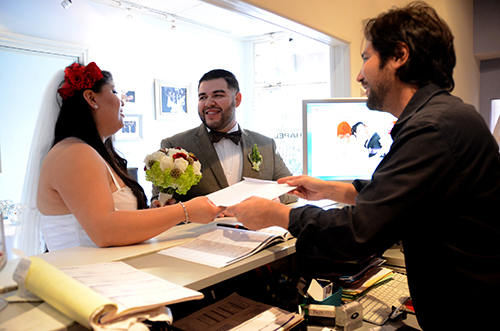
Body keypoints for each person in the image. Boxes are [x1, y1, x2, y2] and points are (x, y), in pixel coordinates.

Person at [227, 2, 500, 330]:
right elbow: (403, 194)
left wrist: (276, 215)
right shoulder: (446, 116)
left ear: (399, 55)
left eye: (366, 58)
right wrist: (332, 189)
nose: (359, 75)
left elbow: (360, 231)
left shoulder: (431, 128)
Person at [16, 62, 224, 254]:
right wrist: (185, 211)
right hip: (83, 279)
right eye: (114, 91)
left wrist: (155, 215)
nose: (122, 99)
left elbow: (112, 219)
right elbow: (105, 230)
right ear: (91, 98)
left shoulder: (94, 153)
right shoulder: (74, 153)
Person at [152, 69, 297, 206]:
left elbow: (292, 191)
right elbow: (159, 199)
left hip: (258, 231)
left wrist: (274, 198)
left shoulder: (266, 145)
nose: (208, 103)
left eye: (217, 95)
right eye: (203, 97)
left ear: (238, 99)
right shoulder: (175, 145)